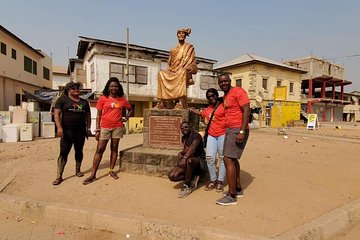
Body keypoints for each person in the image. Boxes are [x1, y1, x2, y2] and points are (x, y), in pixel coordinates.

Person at [83, 77, 133, 185]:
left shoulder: (122, 99)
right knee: (100, 149)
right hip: (105, 127)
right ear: (108, 87)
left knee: (114, 148)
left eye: (116, 86)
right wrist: (97, 129)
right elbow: (98, 115)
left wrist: (126, 118)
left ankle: (111, 170)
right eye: (112, 86)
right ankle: (93, 174)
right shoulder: (103, 98)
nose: (114, 88)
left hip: (117, 127)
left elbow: (130, 109)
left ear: (118, 87)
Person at [215, 73, 250, 206]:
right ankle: (238, 188)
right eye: (220, 82)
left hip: (237, 129)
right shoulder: (226, 96)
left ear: (230, 81)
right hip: (230, 129)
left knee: (227, 159)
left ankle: (231, 195)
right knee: (232, 159)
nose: (223, 83)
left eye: (225, 81)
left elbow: (246, 110)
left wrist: (241, 131)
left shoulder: (238, 91)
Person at [52, 81, 91, 185]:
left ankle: (78, 170)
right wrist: (59, 127)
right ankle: (59, 176)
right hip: (67, 131)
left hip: (80, 132)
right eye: (73, 88)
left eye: (77, 88)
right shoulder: (62, 100)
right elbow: (56, 114)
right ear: (68, 90)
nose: (76, 90)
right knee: (64, 152)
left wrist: (88, 128)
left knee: (79, 151)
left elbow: (88, 116)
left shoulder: (84, 102)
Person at [189, 88, 226, 192]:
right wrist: (191, 110)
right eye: (209, 97)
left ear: (216, 95)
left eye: (213, 95)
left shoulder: (223, 106)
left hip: (223, 134)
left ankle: (220, 181)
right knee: (210, 158)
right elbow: (201, 113)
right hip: (211, 136)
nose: (211, 98)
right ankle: (213, 180)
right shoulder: (208, 109)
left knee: (222, 158)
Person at [156, 28, 197, 109]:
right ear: (177, 35)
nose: (181, 34)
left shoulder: (189, 48)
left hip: (184, 72)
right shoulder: (173, 50)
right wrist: (170, 70)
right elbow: (169, 65)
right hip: (173, 71)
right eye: (179, 33)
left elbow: (194, 66)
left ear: (185, 36)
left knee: (181, 71)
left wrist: (188, 68)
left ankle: (181, 102)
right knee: (161, 73)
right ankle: (163, 102)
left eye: (183, 33)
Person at [168, 121, 205, 198]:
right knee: (172, 176)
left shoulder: (196, 135)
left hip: (199, 161)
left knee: (189, 160)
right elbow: (186, 149)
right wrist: (181, 153)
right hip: (188, 161)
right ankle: (192, 177)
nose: (184, 129)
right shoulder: (184, 138)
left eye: (186, 127)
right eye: (182, 128)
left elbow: (193, 147)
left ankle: (187, 185)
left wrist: (184, 158)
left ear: (190, 127)